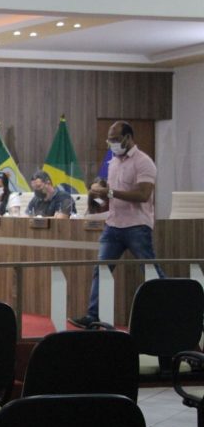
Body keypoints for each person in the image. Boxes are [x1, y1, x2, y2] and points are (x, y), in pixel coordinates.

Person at [69, 121, 165, 328]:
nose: (111, 143)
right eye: (109, 139)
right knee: (101, 269)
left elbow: (143, 195)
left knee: (150, 270)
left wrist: (110, 192)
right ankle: (92, 316)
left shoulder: (144, 162)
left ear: (128, 138)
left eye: (115, 139)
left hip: (137, 225)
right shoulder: (113, 162)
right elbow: (111, 198)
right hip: (113, 225)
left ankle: (173, 307)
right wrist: (96, 197)